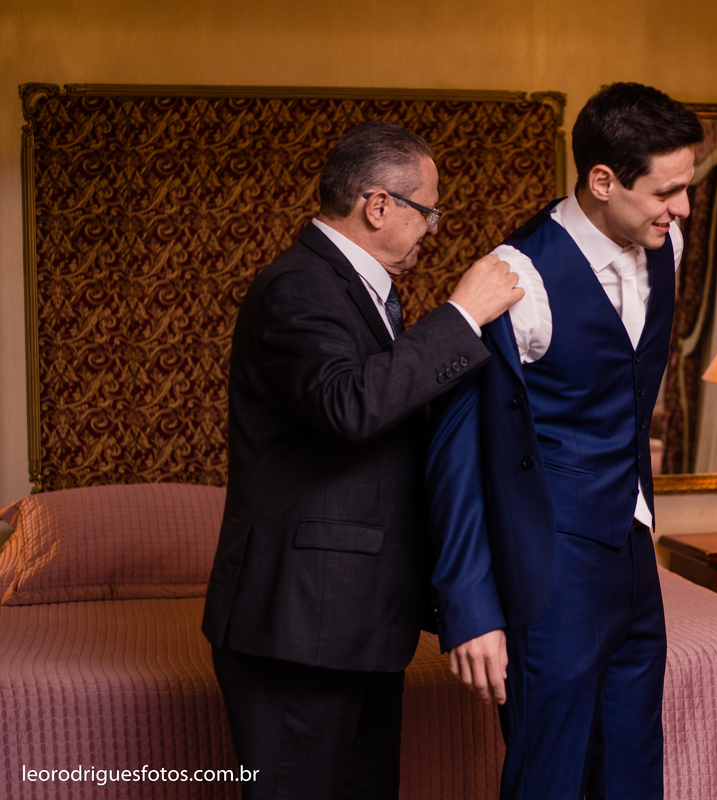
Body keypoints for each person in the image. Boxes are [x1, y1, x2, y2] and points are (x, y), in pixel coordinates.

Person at [201, 121, 522, 800]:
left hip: (360, 620)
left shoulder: (358, 288)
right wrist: (462, 315)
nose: (433, 229)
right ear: (378, 205)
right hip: (299, 625)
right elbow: (348, 405)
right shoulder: (298, 286)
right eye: (428, 211)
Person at [426, 83, 703, 799]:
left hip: (634, 551)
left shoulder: (666, 243)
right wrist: (470, 606)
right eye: (667, 192)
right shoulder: (516, 278)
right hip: (551, 562)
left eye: (687, 188)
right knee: (548, 777)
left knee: (633, 769)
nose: (682, 208)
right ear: (603, 181)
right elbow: (458, 452)